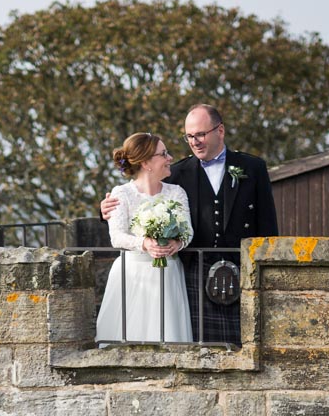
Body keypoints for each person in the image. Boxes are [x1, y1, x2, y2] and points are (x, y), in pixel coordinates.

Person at [101, 104, 278, 344]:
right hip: (196, 270)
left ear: (220, 131)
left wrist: (267, 272)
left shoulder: (252, 167)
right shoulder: (177, 173)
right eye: (189, 136)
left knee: (246, 344)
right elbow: (143, 194)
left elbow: (268, 223)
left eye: (200, 134)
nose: (195, 142)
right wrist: (104, 209)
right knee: (196, 345)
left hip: (242, 268)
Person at [95, 132, 193, 345]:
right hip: (132, 274)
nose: (170, 158)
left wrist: (177, 243)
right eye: (163, 154)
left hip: (168, 273)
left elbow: (188, 231)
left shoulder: (176, 192)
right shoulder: (122, 193)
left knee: (168, 335)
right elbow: (117, 237)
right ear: (146, 163)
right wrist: (144, 243)